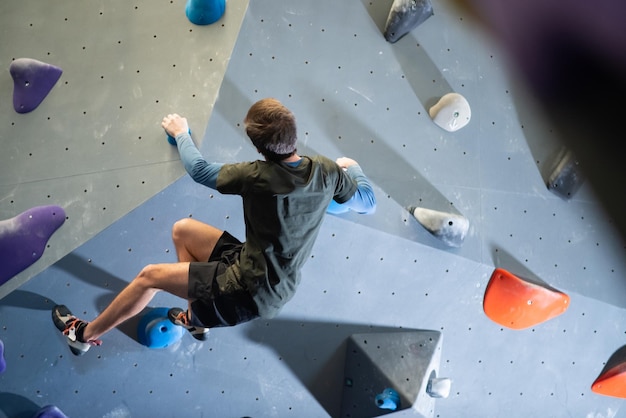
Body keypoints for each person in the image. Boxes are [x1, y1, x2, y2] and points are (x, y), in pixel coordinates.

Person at [52, 98, 376, 355]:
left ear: (259, 150)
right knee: (184, 230)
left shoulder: (257, 176)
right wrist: (354, 167)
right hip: (264, 269)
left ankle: (83, 335)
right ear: (293, 133)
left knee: (149, 277)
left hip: (247, 291)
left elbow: (199, 169)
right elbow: (367, 202)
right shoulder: (325, 170)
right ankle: (196, 318)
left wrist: (181, 131)